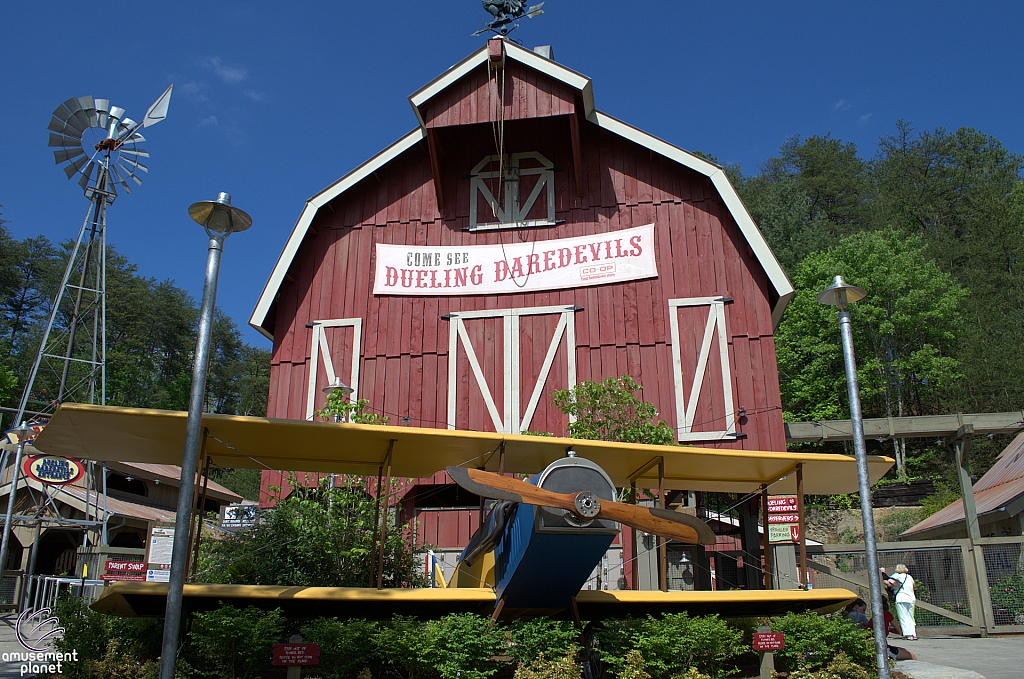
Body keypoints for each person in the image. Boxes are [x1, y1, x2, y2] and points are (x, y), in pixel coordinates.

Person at [868, 596, 917, 661]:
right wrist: (889, 629)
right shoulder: (887, 614)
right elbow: (899, 631)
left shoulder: (872, 618)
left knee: (902, 651)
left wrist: (888, 629)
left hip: (873, 646)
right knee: (912, 656)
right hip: (883, 648)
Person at [886, 563, 917, 641]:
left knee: (903, 616)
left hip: (901, 598)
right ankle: (913, 633)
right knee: (910, 616)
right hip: (911, 598)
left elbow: (890, 583)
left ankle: (907, 634)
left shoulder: (896, 575)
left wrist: (883, 574)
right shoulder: (909, 577)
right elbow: (914, 586)